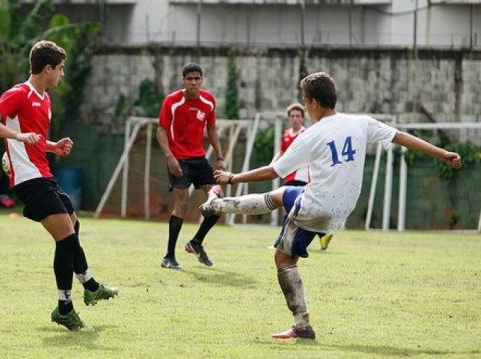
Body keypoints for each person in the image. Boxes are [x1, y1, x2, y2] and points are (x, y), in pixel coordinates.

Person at [201, 72, 461, 339]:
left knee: (282, 257)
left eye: (305, 102)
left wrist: (233, 177)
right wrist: (443, 153)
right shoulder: (361, 123)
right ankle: (218, 206)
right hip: (341, 210)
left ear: (313, 103)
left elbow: (274, 170)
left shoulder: (312, 135)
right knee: (281, 196)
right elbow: (401, 136)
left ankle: (301, 325)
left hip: (315, 205)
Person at [0, 40, 118, 331]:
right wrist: (16, 138)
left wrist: (52, 147)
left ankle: (65, 306)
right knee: (67, 237)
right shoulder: (19, 93)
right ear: (47, 68)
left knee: (72, 229)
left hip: (43, 173)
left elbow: (34, 138)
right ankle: (90, 284)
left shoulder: (44, 99)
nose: (62, 75)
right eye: (60, 69)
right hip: (28, 179)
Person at [157, 63, 225, 270]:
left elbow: (212, 129)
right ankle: (169, 256)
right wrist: (170, 157)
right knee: (183, 204)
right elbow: (160, 131)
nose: (193, 82)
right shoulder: (172, 101)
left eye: (197, 79)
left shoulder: (208, 101)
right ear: (183, 80)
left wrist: (220, 157)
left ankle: (195, 243)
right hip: (178, 159)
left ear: (202, 80)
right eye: (189, 79)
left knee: (218, 200)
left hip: (198, 159)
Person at [271, 103, 333, 250]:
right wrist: (273, 164)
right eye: (292, 116)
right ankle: (322, 233)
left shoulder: (306, 133)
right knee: (297, 208)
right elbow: (281, 151)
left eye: (298, 116)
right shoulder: (286, 134)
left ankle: (284, 240)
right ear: (288, 118)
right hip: (289, 175)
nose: (295, 119)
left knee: (289, 207)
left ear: (303, 118)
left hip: (303, 176)